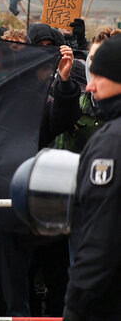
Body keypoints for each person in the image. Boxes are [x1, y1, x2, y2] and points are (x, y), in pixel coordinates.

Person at [62, 35, 121, 320]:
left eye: (100, 76)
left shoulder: (112, 141)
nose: (91, 86)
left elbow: (102, 234)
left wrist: (76, 304)